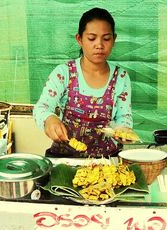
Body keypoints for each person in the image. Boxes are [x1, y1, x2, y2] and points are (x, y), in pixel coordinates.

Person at [33, 7, 133, 158]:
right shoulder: (64, 73)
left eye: (106, 38)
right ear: (79, 39)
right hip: (65, 160)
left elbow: (124, 116)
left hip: (106, 162)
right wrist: (49, 118)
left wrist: (123, 129)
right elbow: (41, 107)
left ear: (114, 39)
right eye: (92, 38)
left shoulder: (121, 77)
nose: (99, 45)